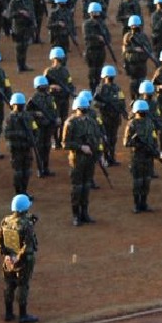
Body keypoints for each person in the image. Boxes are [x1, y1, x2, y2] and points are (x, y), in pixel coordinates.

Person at [62, 91, 103, 226]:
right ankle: (76, 215)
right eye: (81, 109)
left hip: (90, 159)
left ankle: (84, 213)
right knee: (77, 188)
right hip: (77, 160)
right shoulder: (70, 123)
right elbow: (65, 144)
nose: (83, 111)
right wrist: (80, 147)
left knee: (86, 187)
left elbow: (97, 139)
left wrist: (99, 153)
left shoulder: (92, 122)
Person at [0, 193, 38, 323]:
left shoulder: (5, 221)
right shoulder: (27, 224)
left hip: (8, 259)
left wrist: (7, 256)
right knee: (22, 285)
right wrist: (19, 258)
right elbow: (27, 245)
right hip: (23, 261)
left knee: (9, 284)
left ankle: (8, 313)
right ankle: (23, 315)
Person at [123, 99, 162, 213]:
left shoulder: (149, 123)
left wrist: (155, 149)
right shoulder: (132, 124)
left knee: (147, 180)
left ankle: (144, 203)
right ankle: (137, 204)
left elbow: (154, 137)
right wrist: (139, 144)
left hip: (148, 156)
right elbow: (126, 142)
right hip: (137, 157)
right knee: (138, 181)